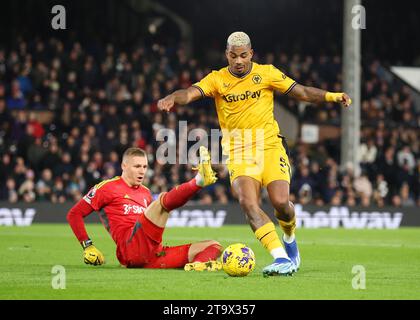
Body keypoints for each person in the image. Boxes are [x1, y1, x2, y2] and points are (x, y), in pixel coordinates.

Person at [158, 31, 351, 276]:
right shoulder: (217, 79)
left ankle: (290, 238)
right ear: (226, 55)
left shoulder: (267, 73)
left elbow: (301, 92)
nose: (238, 61)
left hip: (270, 146)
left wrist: (333, 96)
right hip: (239, 152)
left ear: (251, 54)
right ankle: (281, 258)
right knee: (248, 203)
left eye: (243, 56)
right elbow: (189, 93)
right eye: (233, 56)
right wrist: (172, 97)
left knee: (281, 204)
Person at [67, 146, 223, 271]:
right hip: (130, 249)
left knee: (214, 245)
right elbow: (74, 214)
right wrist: (87, 246)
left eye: (144, 166)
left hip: (153, 254)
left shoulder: (146, 192)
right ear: (124, 166)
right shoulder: (106, 188)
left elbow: (153, 222)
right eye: (137, 166)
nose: (142, 171)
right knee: (161, 201)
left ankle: (199, 265)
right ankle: (198, 181)